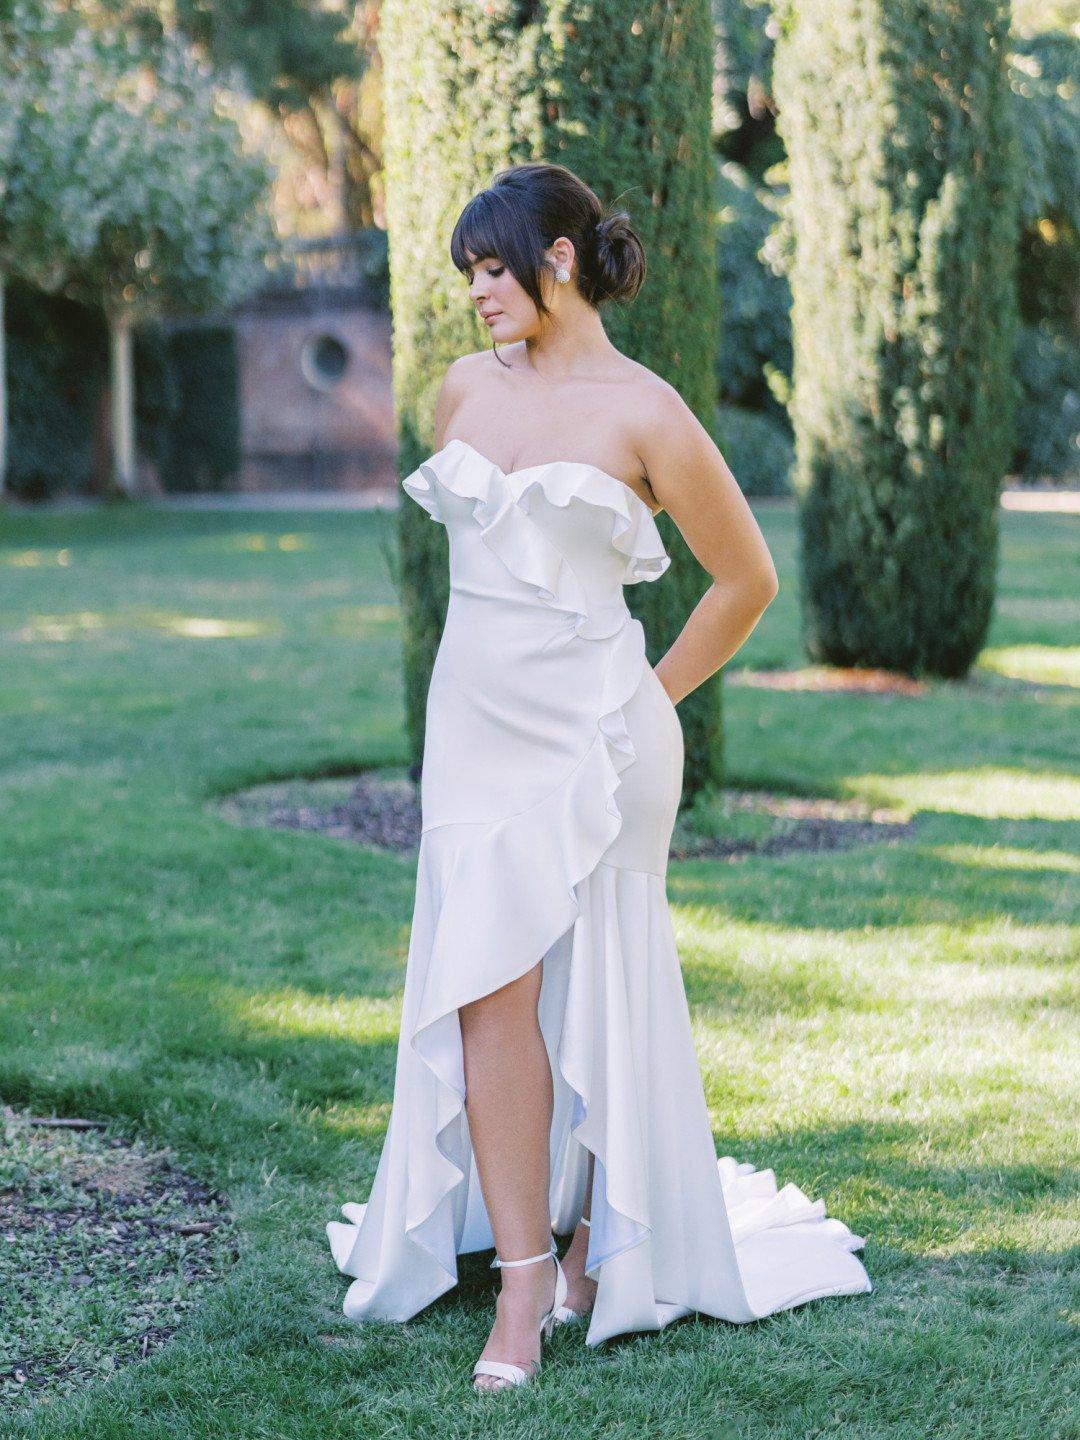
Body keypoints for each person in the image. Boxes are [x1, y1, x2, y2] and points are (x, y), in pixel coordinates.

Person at [327, 160, 872, 1394]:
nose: (475, 292)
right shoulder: (458, 393)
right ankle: (522, 1278)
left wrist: (648, 699)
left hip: (603, 738)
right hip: (472, 734)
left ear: (557, 260)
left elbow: (746, 581)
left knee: (603, 989)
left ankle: (587, 1241)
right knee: (486, 989)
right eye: (466, 272)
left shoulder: (647, 413)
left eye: (490, 267)